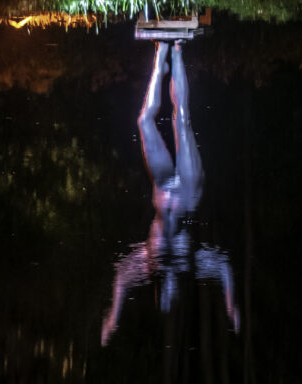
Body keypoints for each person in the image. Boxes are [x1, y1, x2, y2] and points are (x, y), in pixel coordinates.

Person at [101, 39, 239, 345]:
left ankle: (160, 53)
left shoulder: (148, 260)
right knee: (182, 119)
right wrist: (231, 303)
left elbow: (122, 276)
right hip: (188, 189)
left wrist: (114, 313)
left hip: (162, 186)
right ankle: (176, 50)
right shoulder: (190, 261)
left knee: (144, 121)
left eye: (163, 291)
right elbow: (224, 267)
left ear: (158, 284)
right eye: (172, 293)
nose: (169, 287)